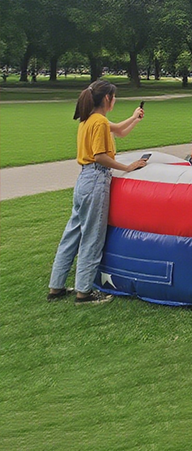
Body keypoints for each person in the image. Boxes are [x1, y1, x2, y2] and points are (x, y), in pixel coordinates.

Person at [48, 79, 148, 305]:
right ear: (107, 98)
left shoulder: (89, 120)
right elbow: (100, 156)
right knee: (92, 236)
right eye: (115, 97)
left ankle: (56, 286)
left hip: (83, 180)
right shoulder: (100, 123)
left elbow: (120, 131)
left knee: (72, 234)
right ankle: (84, 292)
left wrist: (135, 117)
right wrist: (128, 167)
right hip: (96, 179)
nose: (115, 100)